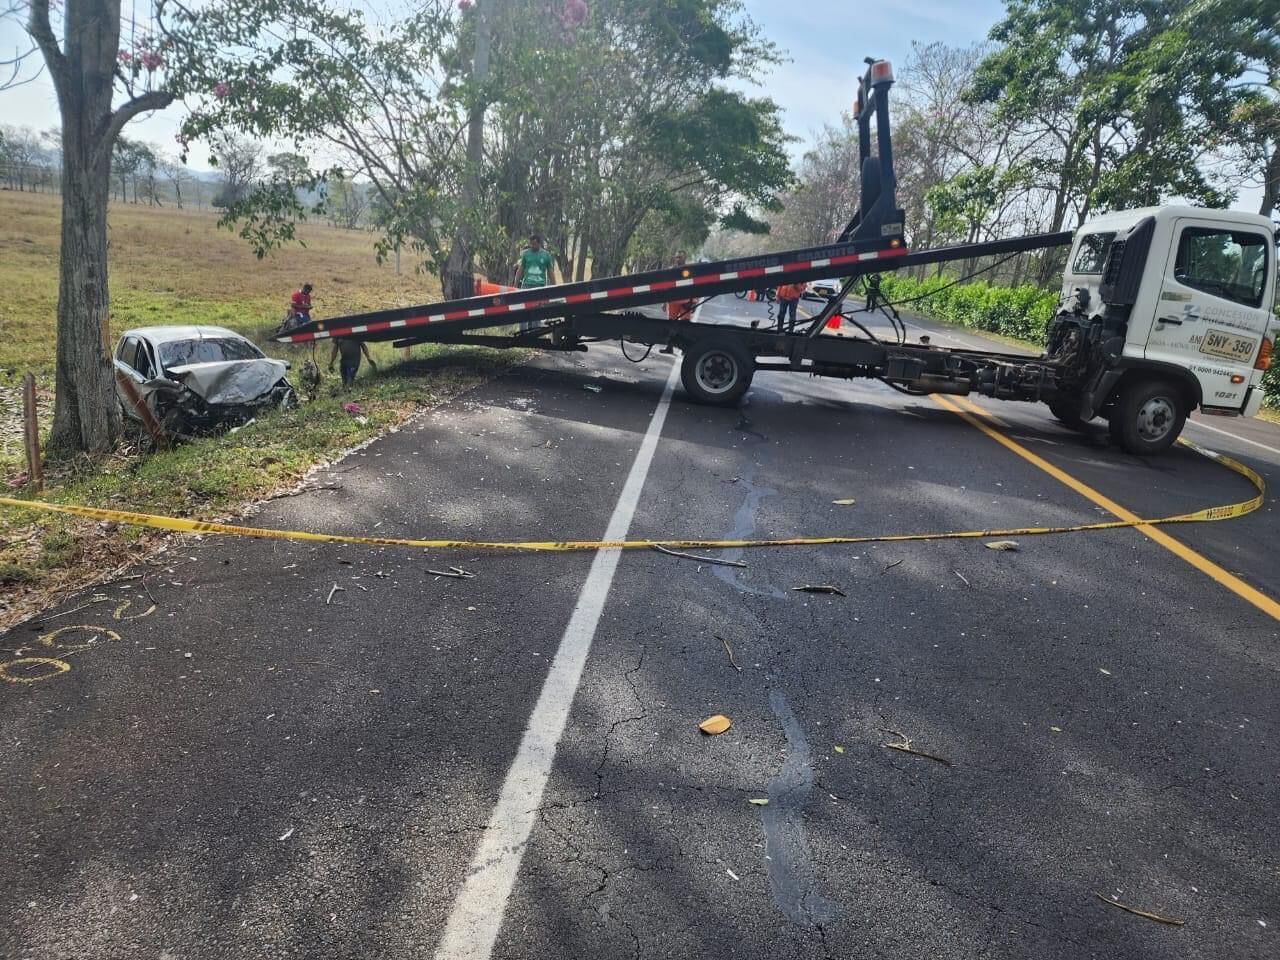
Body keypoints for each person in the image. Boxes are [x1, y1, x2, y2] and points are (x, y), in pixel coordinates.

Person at [513, 234, 557, 333]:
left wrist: (555, 287)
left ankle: (535, 332)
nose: (532, 246)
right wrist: (515, 285)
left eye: (534, 244)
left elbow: (550, 272)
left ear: (539, 243)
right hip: (527, 285)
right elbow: (520, 270)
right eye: (531, 244)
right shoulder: (526, 254)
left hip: (540, 286)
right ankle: (523, 332)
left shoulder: (546, 255)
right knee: (523, 309)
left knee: (537, 310)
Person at [660, 251, 698, 354]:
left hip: (686, 302)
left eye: (680, 257)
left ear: (685, 258)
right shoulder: (671, 271)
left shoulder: (689, 270)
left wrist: (694, 301)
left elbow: (695, 286)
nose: (678, 259)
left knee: (685, 325)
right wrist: (664, 302)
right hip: (673, 301)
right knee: (671, 324)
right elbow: (666, 287)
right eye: (677, 257)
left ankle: (685, 348)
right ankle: (669, 347)